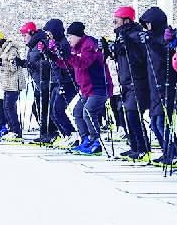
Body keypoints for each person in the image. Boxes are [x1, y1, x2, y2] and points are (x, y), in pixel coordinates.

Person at [102, 6, 150, 161]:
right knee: (128, 114)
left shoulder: (135, 35)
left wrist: (127, 45)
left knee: (132, 113)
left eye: (117, 21)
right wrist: (109, 49)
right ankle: (135, 146)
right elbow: (119, 56)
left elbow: (138, 58)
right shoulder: (123, 35)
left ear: (126, 20)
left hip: (136, 81)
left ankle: (142, 148)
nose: (114, 24)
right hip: (126, 81)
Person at [139, 7, 177, 165]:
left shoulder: (166, 36)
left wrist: (150, 43)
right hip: (154, 85)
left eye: (149, 24)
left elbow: (166, 55)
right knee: (155, 122)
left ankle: (174, 152)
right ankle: (167, 151)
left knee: (161, 122)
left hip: (165, 84)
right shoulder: (151, 38)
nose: (147, 27)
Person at [64, 21, 113, 155]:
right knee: (77, 112)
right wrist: (57, 56)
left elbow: (84, 63)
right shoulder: (77, 47)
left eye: (71, 36)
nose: (69, 40)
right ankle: (86, 139)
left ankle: (96, 141)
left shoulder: (89, 45)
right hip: (86, 88)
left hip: (98, 87)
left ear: (78, 36)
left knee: (88, 112)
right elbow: (70, 65)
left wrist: (68, 55)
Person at [41, 19, 79, 148]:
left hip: (67, 81)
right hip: (58, 80)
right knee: (52, 111)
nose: (48, 35)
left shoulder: (64, 43)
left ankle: (71, 134)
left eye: (50, 32)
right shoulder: (56, 42)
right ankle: (66, 134)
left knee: (58, 109)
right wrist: (47, 52)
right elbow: (55, 61)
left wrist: (55, 52)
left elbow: (65, 62)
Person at [16, 22, 56, 143]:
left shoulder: (41, 43)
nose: (24, 38)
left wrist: (31, 65)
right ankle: (44, 133)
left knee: (44, 108)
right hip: (38, 81)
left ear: (32, 33)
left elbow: (47, 62)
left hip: (45, 80)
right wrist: (24, 63)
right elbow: (34, 62)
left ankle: (50, 133)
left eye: (25, 35)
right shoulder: (33, 46)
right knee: (38, 108)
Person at [0, 30, 26, 140]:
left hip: (14, 83)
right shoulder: (2, 51)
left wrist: (0, 63)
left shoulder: (11, 50)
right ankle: (12, 130)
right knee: (6, 107)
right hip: (7, 84)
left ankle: (16, 131)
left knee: (9, 107)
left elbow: (13, 67)